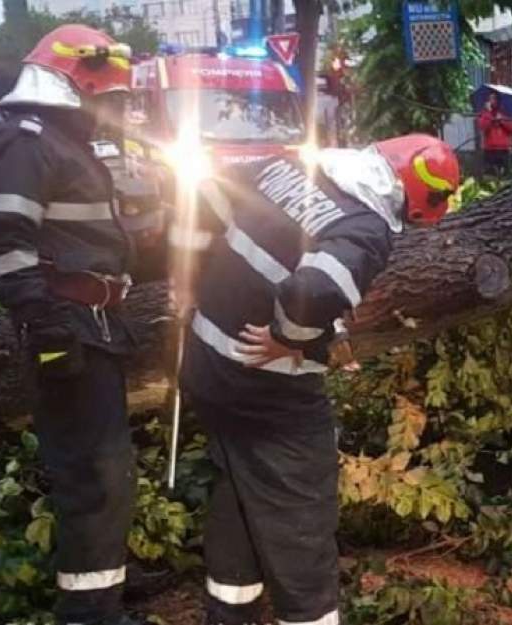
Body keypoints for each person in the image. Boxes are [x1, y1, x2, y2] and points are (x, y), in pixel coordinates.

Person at [169, 135, 460, 625]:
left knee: (241, 490)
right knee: (300, 522)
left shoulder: (287, 169)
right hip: (267, 392)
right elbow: (315, 287)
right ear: (420, 197)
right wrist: (292, 338)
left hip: (206, 366)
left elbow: (200, 196)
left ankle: (228, 613)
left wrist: (190, 280)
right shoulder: (363, 228)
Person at [0, 25, 140, 625]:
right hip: (65, 326)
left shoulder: (63, 141)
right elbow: (1, 237)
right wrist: (46, 325)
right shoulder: (27, 141)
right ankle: (91, 614)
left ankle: (104, 590)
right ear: (78, 81)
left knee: (109, 470)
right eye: (108, 96)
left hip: (96, 324)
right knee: (91, 475)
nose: (114, 109)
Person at [476, 90, 512, 176]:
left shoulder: (505, 113)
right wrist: (489, 113)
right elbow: (483, 126)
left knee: (506, 176)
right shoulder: (485, 113)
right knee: (490, 176)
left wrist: (501, 120)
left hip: (504, 149)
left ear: (498, 101)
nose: (492, 101)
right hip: (490, 149)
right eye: (490, 99)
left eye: (494, 98)